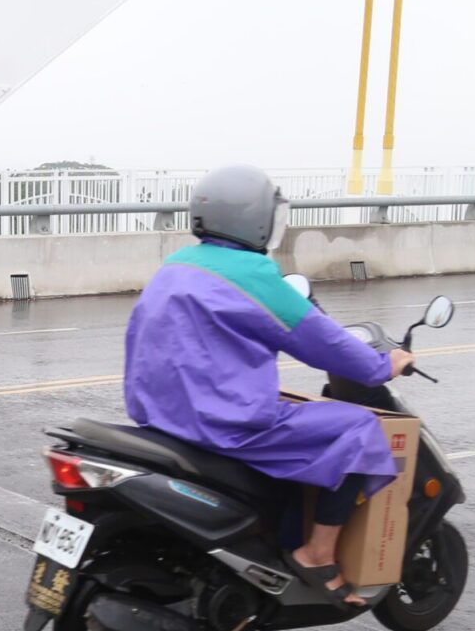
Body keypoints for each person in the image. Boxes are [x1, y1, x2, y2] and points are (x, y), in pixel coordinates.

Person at [122, 165, 414, 605]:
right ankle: (316, 554)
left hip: (160, 415)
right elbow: (321, 340)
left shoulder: (176, 265)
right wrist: (380, 366)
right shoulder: (254, 276)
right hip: (224, 423)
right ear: (256, 219)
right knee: (357, 429)